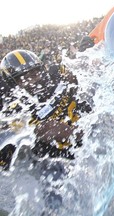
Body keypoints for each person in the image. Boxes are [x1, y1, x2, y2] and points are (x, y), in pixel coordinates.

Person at [0, 49, 90, 212]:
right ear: (12, 84)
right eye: (23, 77)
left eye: (35, 72)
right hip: (58, 163)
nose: (33, 79)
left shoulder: (58, 74)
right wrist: (32, 132)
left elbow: (87, 71)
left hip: (88, 142)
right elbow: (7, 161)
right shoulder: (15, 112)